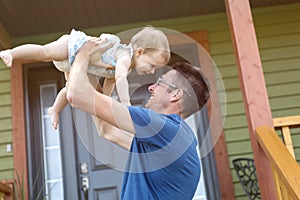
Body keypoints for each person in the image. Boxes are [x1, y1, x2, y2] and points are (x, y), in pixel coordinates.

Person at [66, 37, 210, 199]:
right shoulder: (170, 139)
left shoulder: (162, 127)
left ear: (176, 94)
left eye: (160, 82)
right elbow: (107, 131)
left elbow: (76, 94)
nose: (151, 87)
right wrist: (105, 79)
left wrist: (82, 54)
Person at [0, 26, 170, 129]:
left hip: (76, 64)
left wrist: (105, 100)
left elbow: (110, 83)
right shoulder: (125, 55)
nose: (152, 71)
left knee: (69, 89)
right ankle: (12, 53)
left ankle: (55, 109)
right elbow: (119, 79)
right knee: (45, 52)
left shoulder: (125, 66)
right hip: (72, 47)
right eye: (152, 65)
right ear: (140, 52)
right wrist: (125, 104)